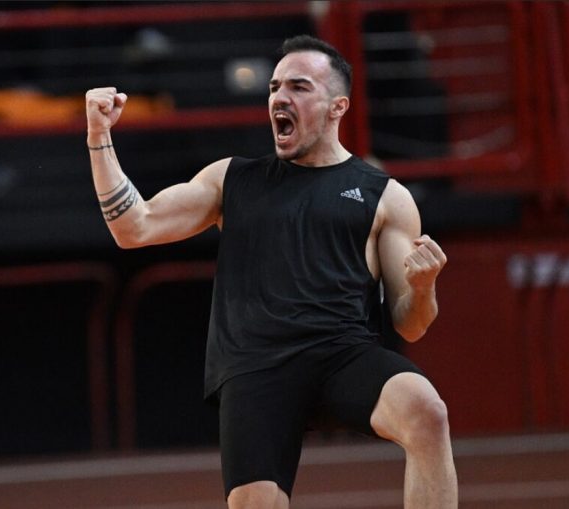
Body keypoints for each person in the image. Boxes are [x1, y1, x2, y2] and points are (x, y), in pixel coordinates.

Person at [86, 35, 458, 508]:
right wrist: (99, 138)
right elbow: (133, 227)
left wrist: (423, 288)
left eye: (299, 87)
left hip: (342, 356)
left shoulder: (385, 196)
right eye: (274, 87)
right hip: (256, 368)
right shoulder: (232, 180)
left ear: (337, 107)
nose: (280, 97)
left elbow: (411, 323)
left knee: (426, 412)